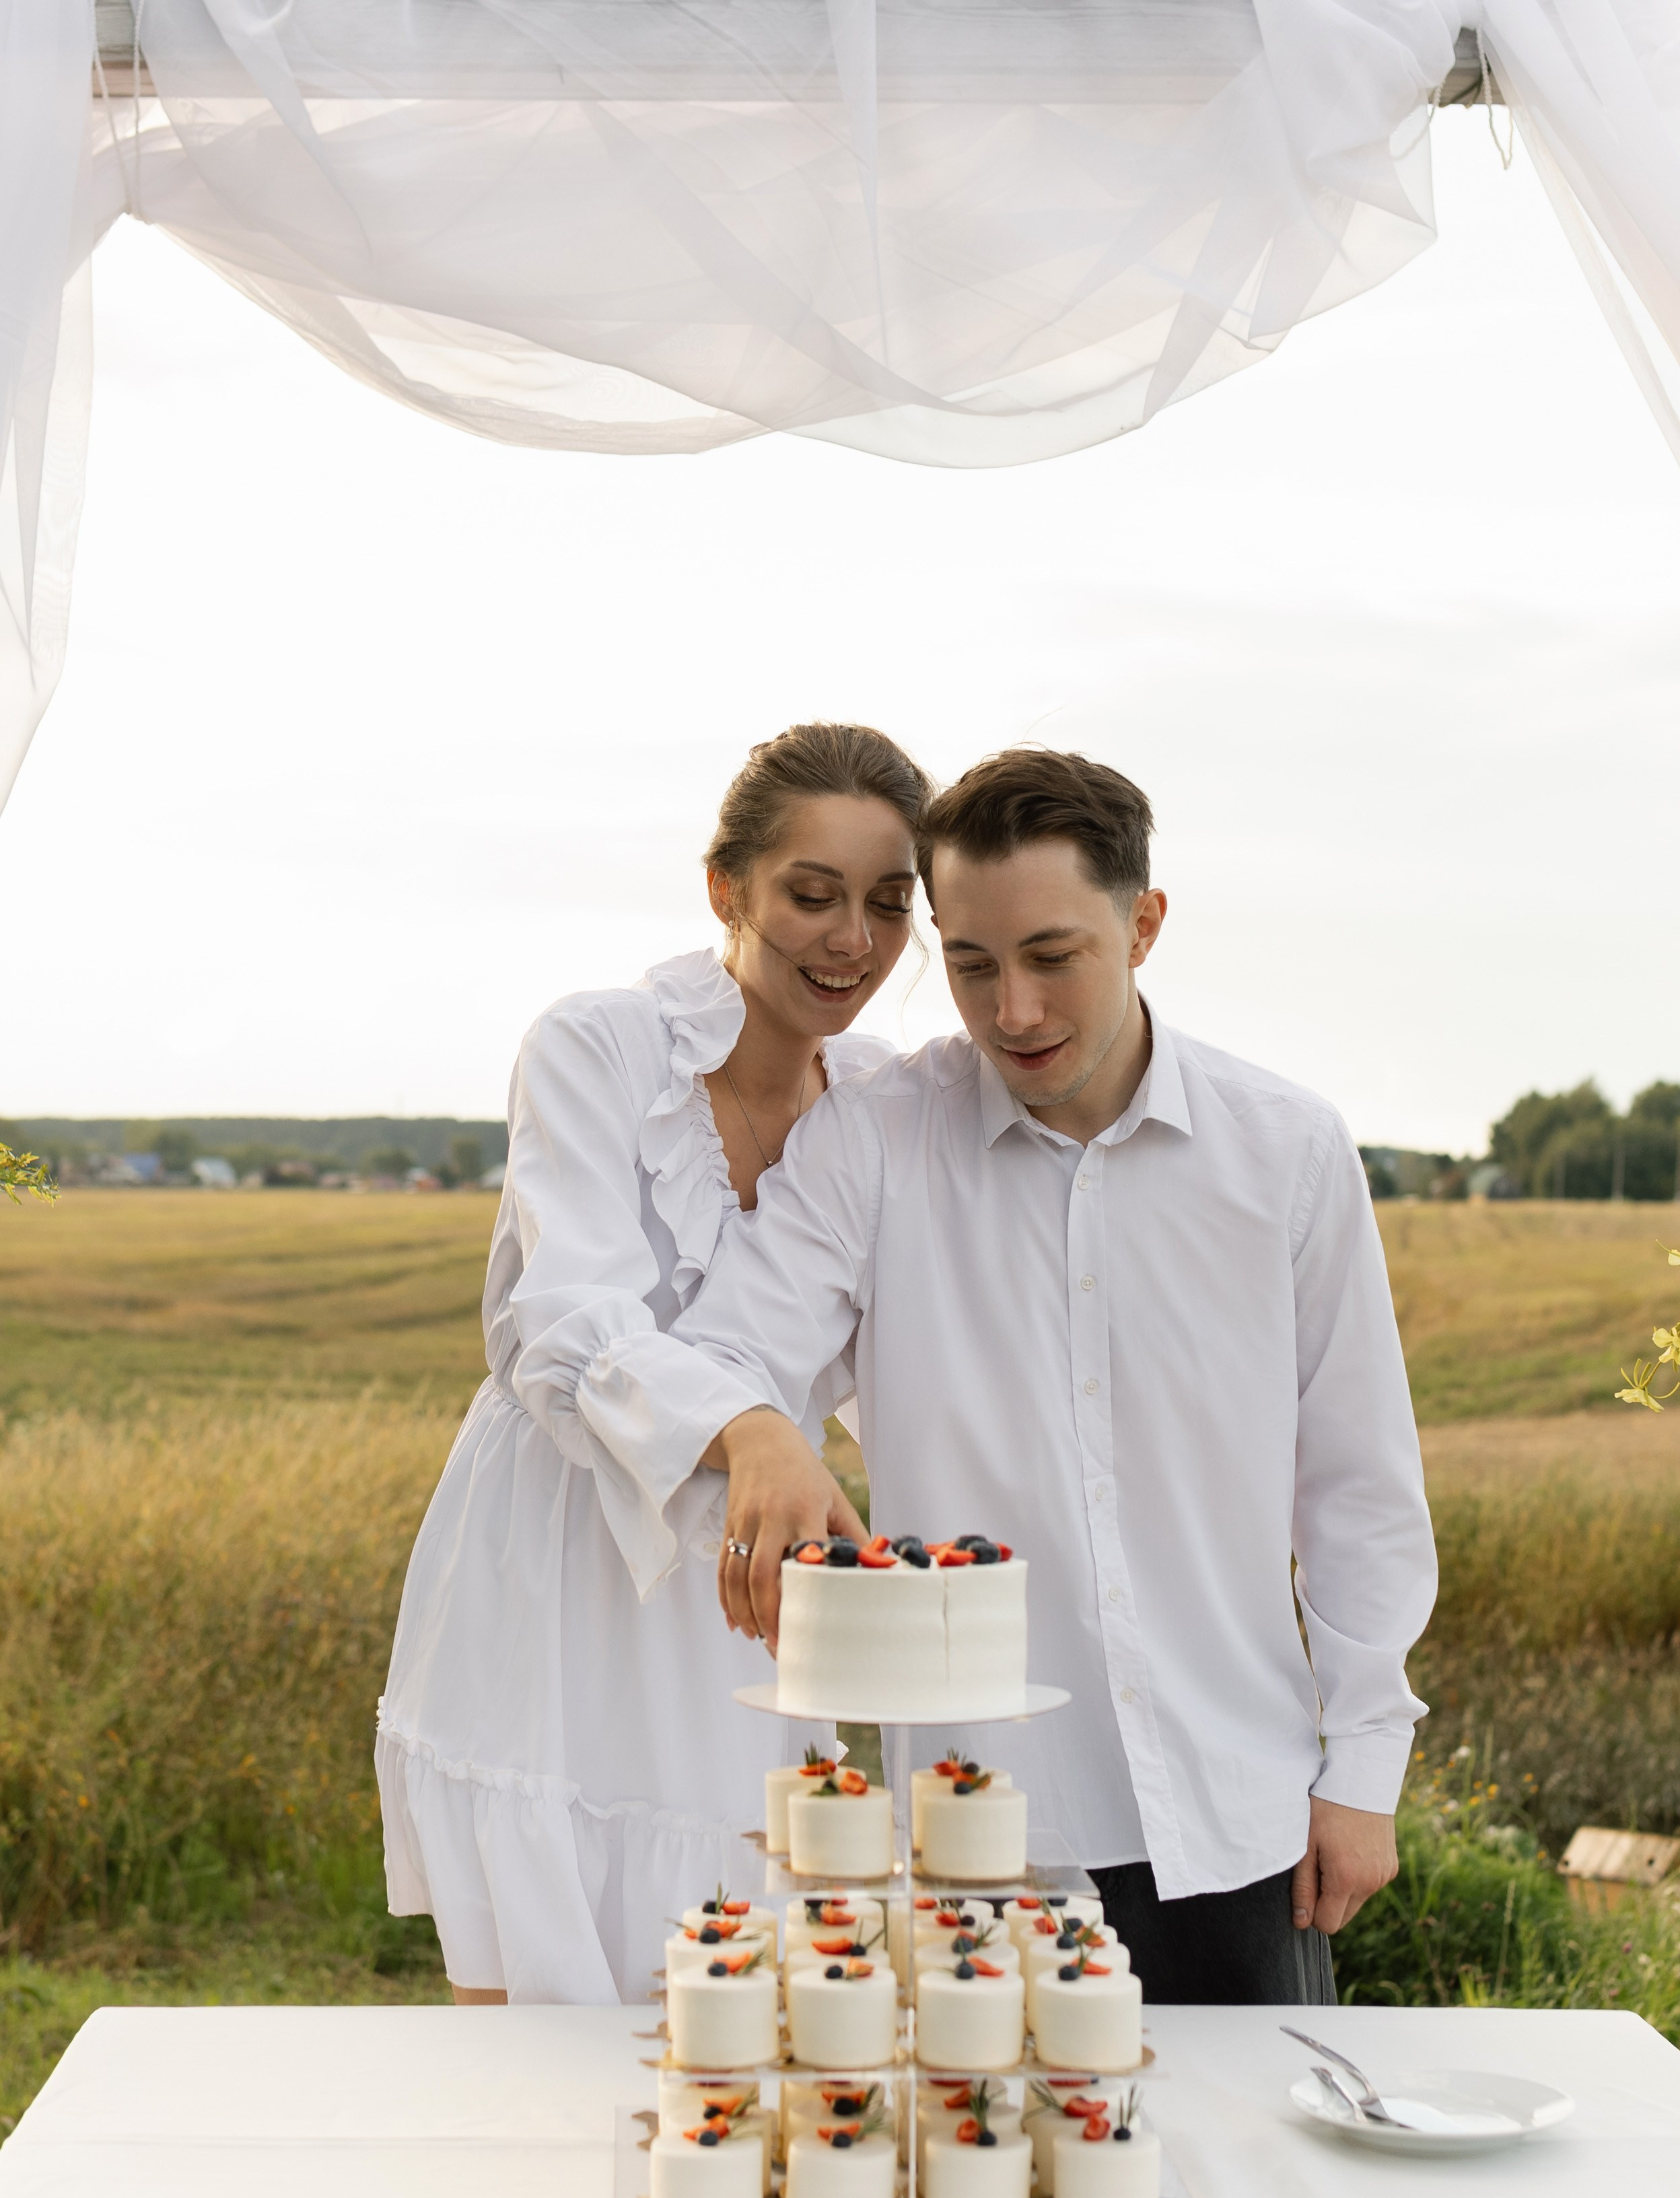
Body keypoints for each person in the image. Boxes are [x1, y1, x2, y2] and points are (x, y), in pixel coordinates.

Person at [612, 747, 1438, 2003]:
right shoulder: (875, 1142)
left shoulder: (1289, 1152)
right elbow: (729, 1348)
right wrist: (755, 1428)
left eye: (1055, 959)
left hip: (1240, 1822)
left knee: (1269, 2192)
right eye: (972, 965)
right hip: (978, 1839)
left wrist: (1363, 1768)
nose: (1015, 1015)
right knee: (987, 2190)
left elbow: (1360, 1486)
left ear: (1144, 925)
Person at [376, 722, 929, 2005]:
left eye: (889, 905)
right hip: (553, 1552)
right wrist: (747, 1424)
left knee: (741, 1983)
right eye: (813, 893)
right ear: (725, 887)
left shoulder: (891, 1102)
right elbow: (559, 1320)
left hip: (748, 1574)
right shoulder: (598, 1046)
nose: (852, 939)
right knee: (532, 1987)